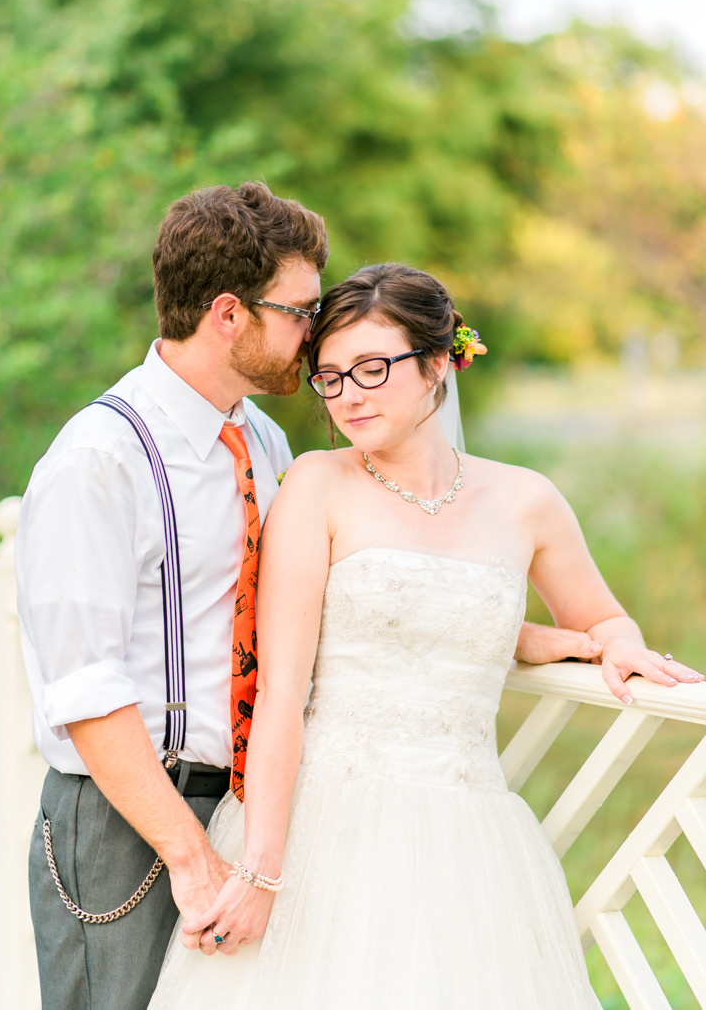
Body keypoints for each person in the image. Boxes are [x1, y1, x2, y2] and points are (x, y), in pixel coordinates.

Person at [17, 179, 602, 1010]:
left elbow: (341, 604)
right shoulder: (98, 459)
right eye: (299, 310)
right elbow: (83, 689)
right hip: (131, 813)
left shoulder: (261, 437)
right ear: (229, 315)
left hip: (254, 801)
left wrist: (519, 634)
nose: (312, 330)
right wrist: (190, 854)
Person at [149, 263, 704, 1010]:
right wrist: (260, 871)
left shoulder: (526, 500)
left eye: (374, 369)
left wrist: (613, 644)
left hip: (468, 841)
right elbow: (281, 694)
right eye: (332, 377)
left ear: (440, 362)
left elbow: (601, 616)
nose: (349, 395)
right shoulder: (317, 486)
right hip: (324, 827)